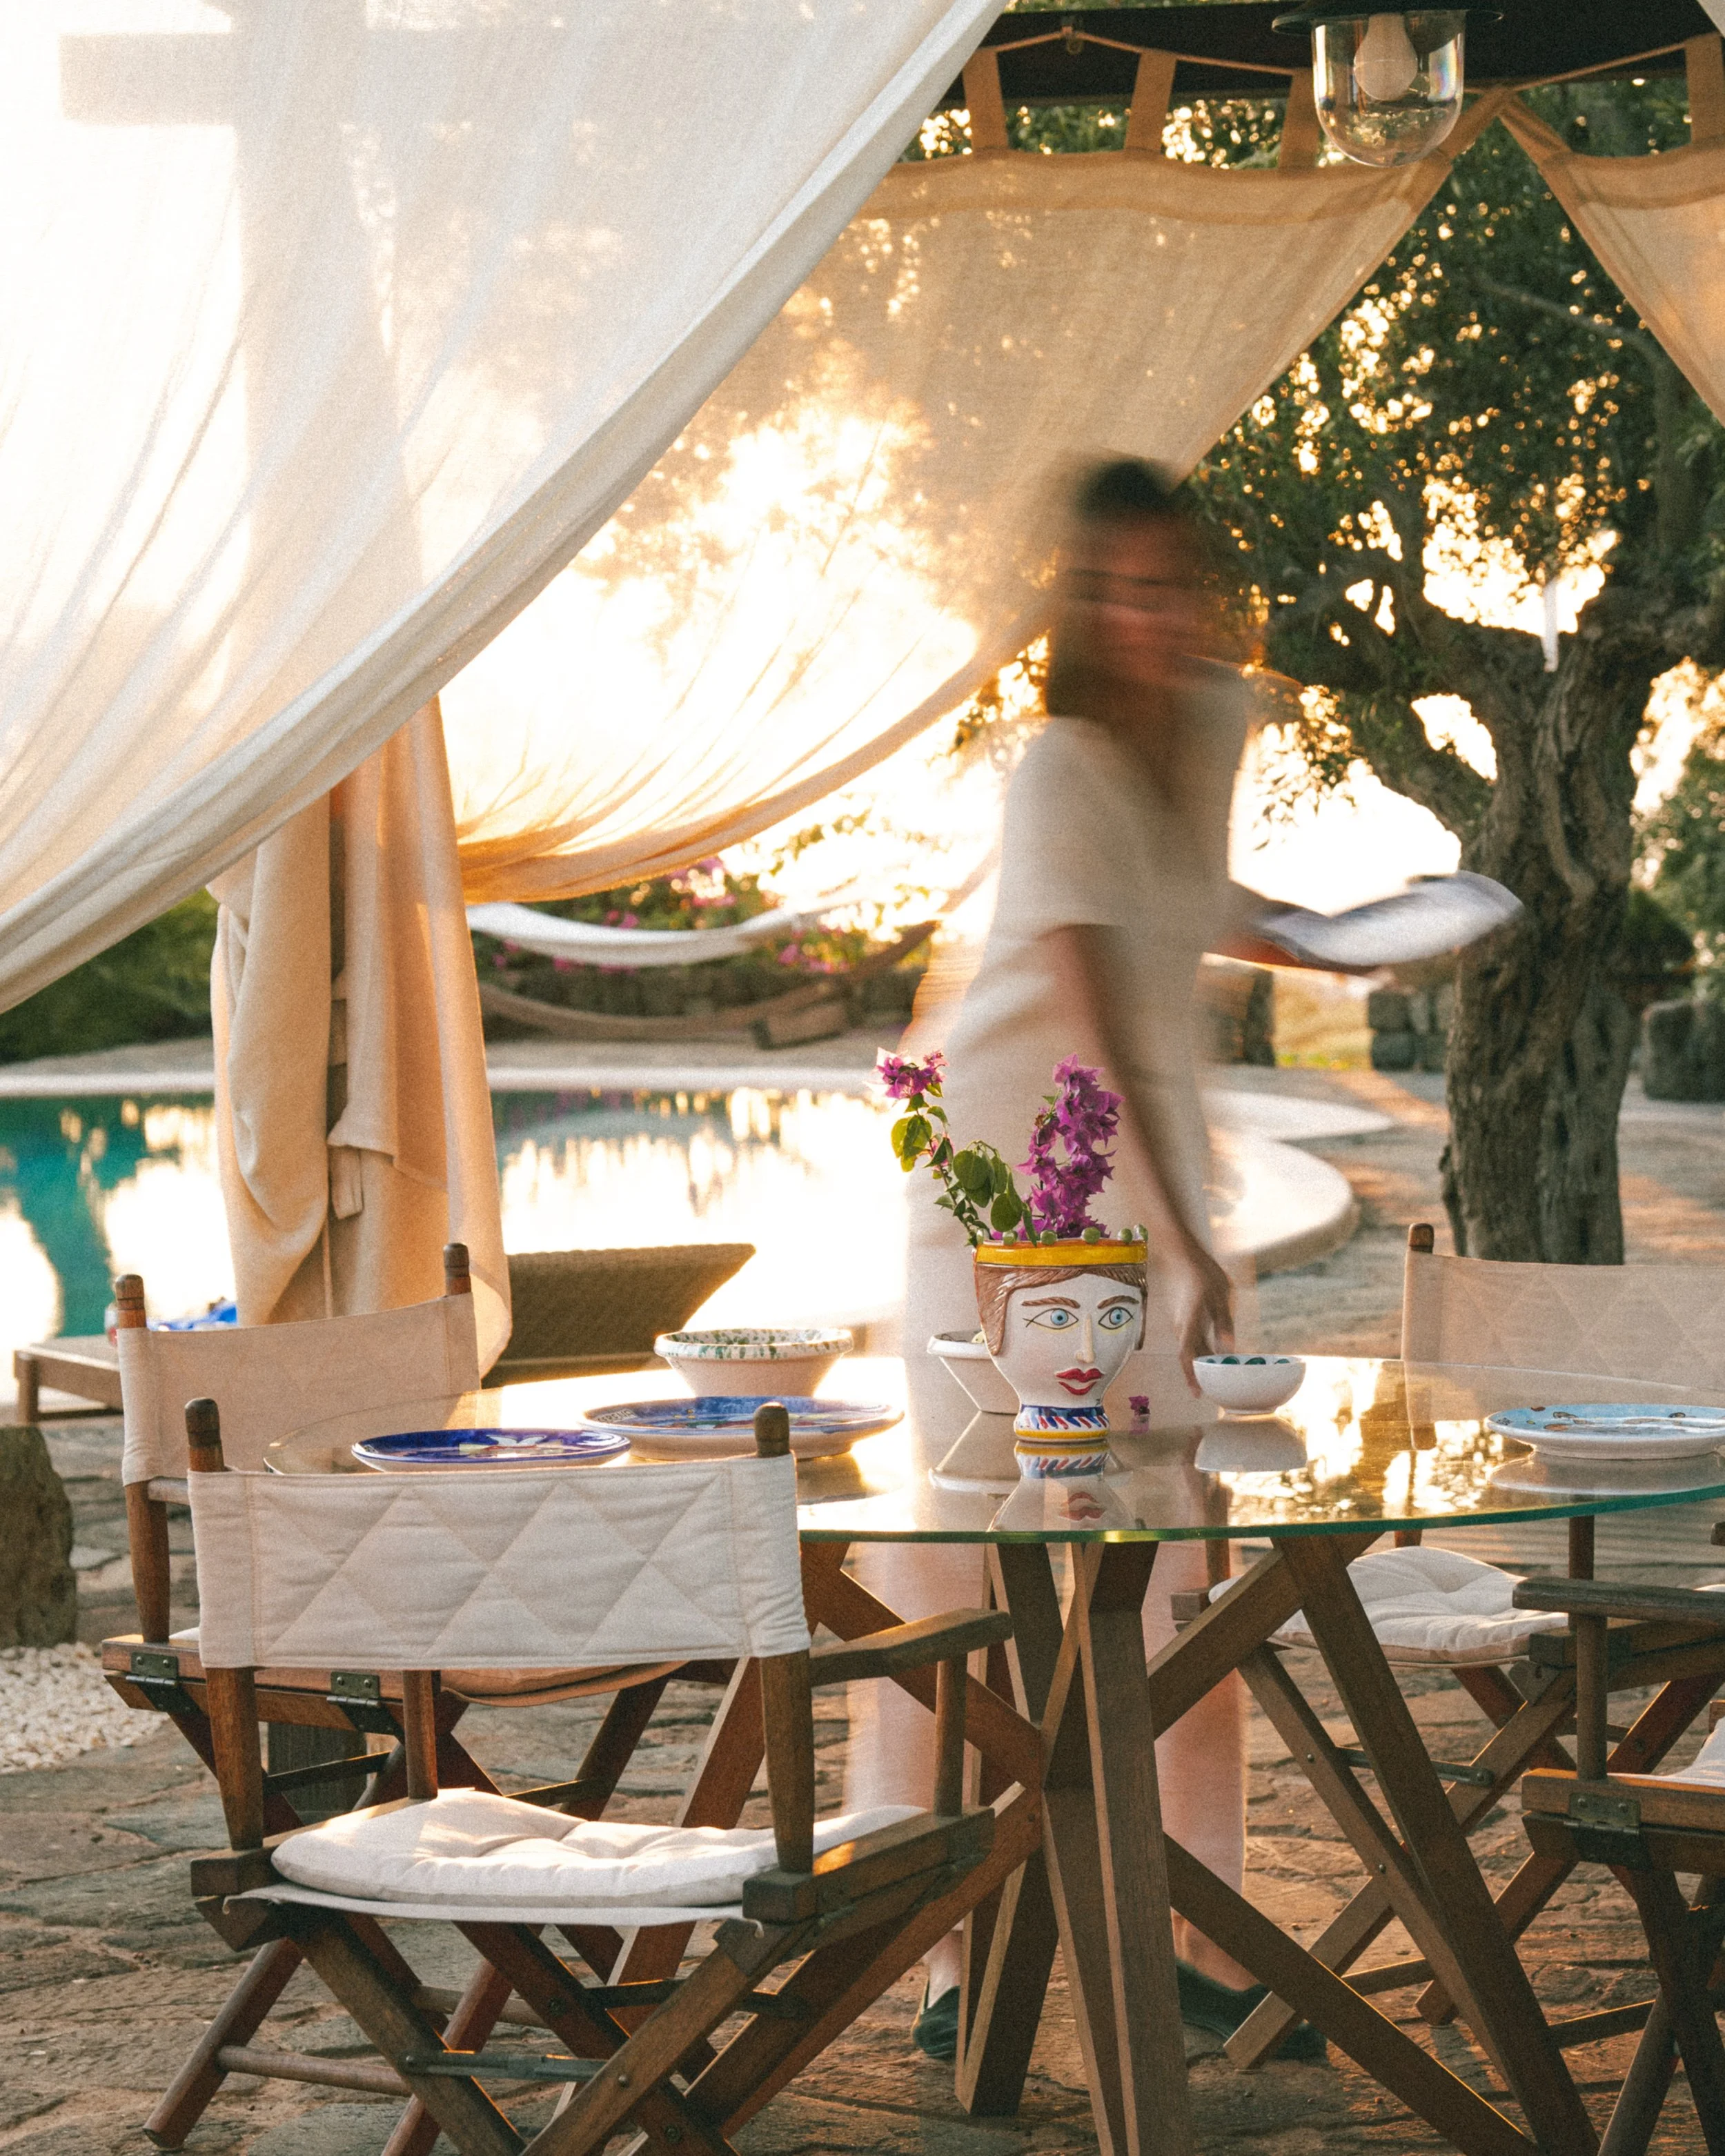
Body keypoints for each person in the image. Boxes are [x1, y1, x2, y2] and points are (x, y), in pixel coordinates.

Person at [849, 456, 1320, 2062]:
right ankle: (943, 1956)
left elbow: (1182, 900)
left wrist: (1326, 934)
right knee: (976, 1576)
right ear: (1073, 601)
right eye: (1108, 585)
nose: (1141, 611)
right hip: (1008, 1189)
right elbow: (1096, 983)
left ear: (1203, 587)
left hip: (1143, 1188)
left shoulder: (1204, 722)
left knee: (1179, 1570)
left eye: (1166, 579)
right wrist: (1193, 1236)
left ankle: (1207, 1931)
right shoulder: (1052, 757)